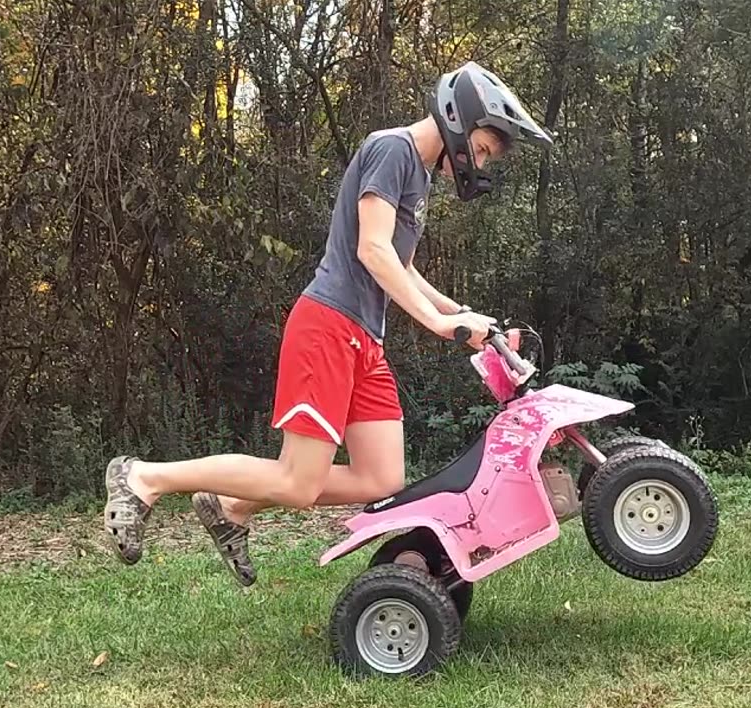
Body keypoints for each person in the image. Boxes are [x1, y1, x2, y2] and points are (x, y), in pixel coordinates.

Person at [101, 61, 553, 585]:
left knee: (380, 477)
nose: (478, 162)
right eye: (481, 149)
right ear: (459, 118)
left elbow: (400, 263)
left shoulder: (418, 173)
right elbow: (372, 249)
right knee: (298, 483)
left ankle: (232, 506)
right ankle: (144, 477)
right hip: (329, 325)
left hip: (365, 338)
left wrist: (458, 312)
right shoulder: (394, 150)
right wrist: (435, 323)